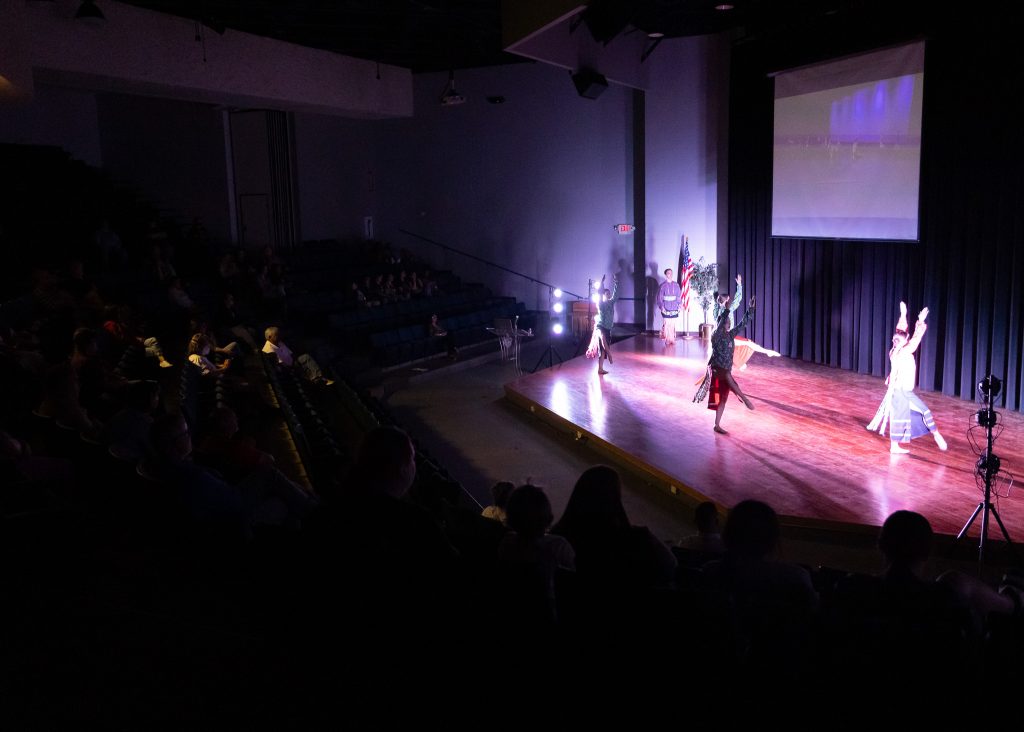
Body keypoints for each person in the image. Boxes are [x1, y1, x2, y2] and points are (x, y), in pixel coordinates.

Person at [866, 302, 947, 454]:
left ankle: (894, 446)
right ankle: (936, 435)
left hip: (897, 390)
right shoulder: (904, 351)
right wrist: (921, 321)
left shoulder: (894, 351)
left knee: (899, 415)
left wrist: (903, 315)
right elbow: (915, 339)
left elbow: (901, 333)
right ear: (902, 342)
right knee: (924, 411)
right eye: (904, 340)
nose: (906, 340)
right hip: (902, 391)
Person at [693, 295, 756, 434]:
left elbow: (742, 324)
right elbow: (722, 320)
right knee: (727, 376)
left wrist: (750, 309)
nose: (728, 323)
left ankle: (717, 425)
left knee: (723, 398)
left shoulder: (730, 334)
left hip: (726, 370)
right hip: (716, 369)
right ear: (721, 323)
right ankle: (745, 399)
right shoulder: (716, 335)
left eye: (728, 322)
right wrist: (726, 309)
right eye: (725, 321)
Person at [714, 274, 779, 370]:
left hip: (719, 336)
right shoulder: (729, 309)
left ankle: (739, 363)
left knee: (736, 347)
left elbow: (718, 302)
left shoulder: (717, 310)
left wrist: (716, 288)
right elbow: (737, 300)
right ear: (727, 300)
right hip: (727, 336)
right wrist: (739, 285)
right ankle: (766, 352)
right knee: (749, 344)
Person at [262, 326, 334, 386]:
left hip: (292, 362)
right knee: (305, 358)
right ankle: (318, 378)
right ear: (270, 337)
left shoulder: (279, 342)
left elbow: (289, 353)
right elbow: (278, 364)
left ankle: (317, 378)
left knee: (305, 359)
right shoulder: (268, 350)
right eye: (277, 335)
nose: (280, 336)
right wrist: (292, 366)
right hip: (287, 368)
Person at [585, 273, 619, 375]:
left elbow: (616, 294)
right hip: (600, 326)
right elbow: (599, 294)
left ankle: (600, 368)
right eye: (606, 294)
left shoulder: (611, 302)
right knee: (603, 340)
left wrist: (616, 282)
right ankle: (610, 355)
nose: (608, 295)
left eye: (609, 293)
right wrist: (602, 283)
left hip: (608, 327)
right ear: (603, 295)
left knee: (602, 349)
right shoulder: (600, 303)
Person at [657, 268, 683, 345]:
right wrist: (662, 307)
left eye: (671, 273)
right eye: (668, 273)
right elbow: (660, 297)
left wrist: (679, 305)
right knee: (667, 323)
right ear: (666, 275)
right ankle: (667, 339)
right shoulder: (662, 286)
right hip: (666, 306)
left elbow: (678, 296)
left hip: (674, 306)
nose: (670, 274)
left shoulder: (676, 285)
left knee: (673, 324)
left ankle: (672, 339)